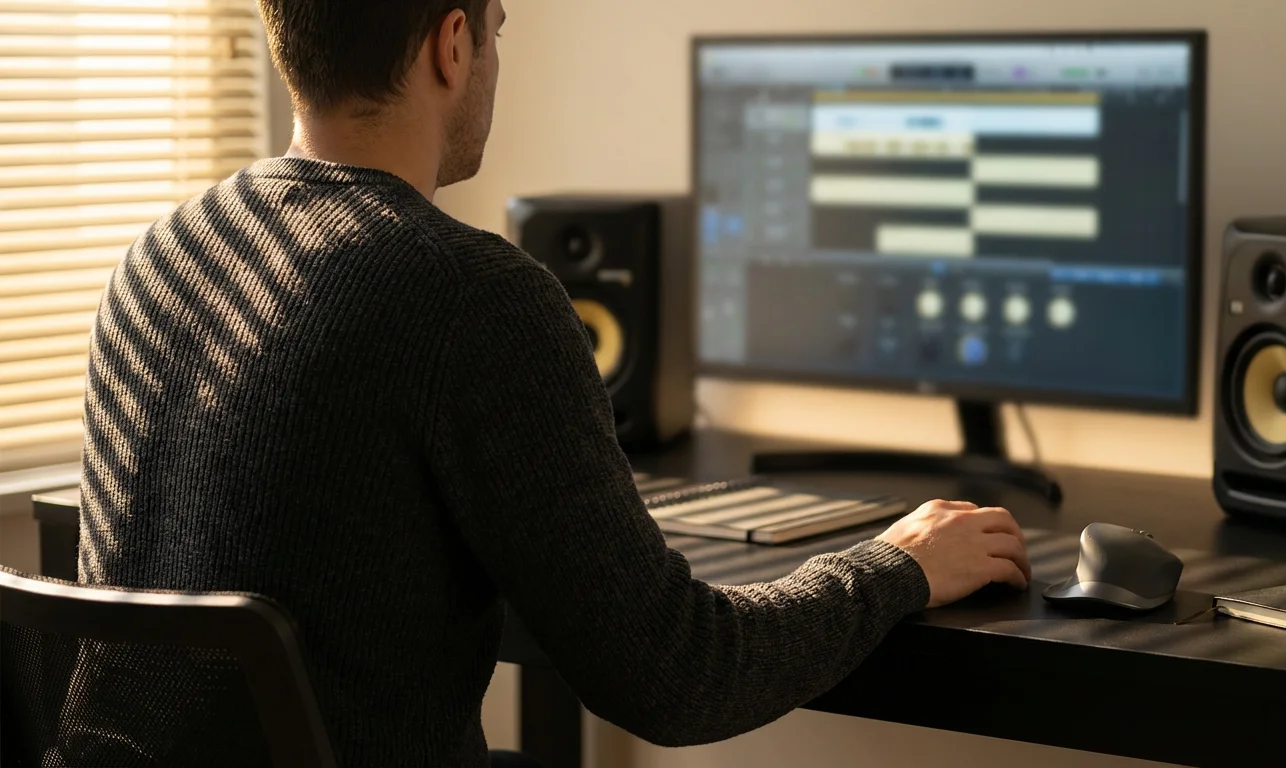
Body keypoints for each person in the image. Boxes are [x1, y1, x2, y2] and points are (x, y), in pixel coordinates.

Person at [76, 0, 1033, 766]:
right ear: (452, 45)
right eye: (496, 29)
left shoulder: (160, 259)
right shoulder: (467, 293)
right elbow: (675, 675)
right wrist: (896, 565)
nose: (494, 52)